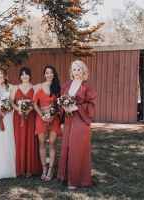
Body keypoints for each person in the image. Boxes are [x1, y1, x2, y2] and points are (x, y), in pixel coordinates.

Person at [57, 60, 96, 188]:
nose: (76, 72)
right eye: (74, 70)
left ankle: (77, 180)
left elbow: (91, 103)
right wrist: (63, 105)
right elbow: (62, 100)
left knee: (76, 148)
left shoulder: (87, 85)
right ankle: (66, 177)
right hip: (69, 119)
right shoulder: (67, 85)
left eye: (79, 69)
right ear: (71, 71)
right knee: (67, 146)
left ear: (83, 70)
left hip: (81, 120)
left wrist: (76, 108)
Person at [10, 67, 41, 177]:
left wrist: (30, 109)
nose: (24, 76)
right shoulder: (15, 87)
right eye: (22, 74)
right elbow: (12, 102)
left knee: (30, 139)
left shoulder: (34, 87)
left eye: (26, 74)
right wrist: (19, 109)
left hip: (31, 116)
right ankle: (20, 168)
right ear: (19, 76)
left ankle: (29, 168)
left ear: (30, 75)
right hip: (18, 117)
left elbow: (36, 103)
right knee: (20, 140)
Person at [33, 65, 62, 181]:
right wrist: (42, 116)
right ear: (44, 74)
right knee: (42, 143)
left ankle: (51, 169)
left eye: (51, 72)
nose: (49, 74)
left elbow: (59, 105)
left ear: (54, 74)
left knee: (53, 144)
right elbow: (34, 103)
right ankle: (44, 168)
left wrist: (53, 116)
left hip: (54, 119)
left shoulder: (57, 87)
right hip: (41, 118)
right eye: (47, 73)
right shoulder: (38, 86)